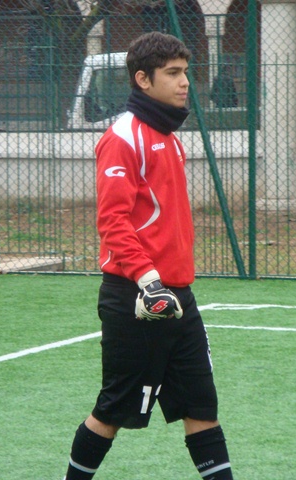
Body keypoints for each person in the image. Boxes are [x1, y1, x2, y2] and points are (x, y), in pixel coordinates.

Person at [62, 32, 234, 480]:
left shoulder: (169, 137)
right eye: (173, 73)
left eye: (185, 72)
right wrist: (149, 281)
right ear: (143, 79)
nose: (184, 82)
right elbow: (112, 221)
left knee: (201, 407)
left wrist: (168, 284)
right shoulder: (122, 138)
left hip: (179, 297)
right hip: (136, 297)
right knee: (112, 412)